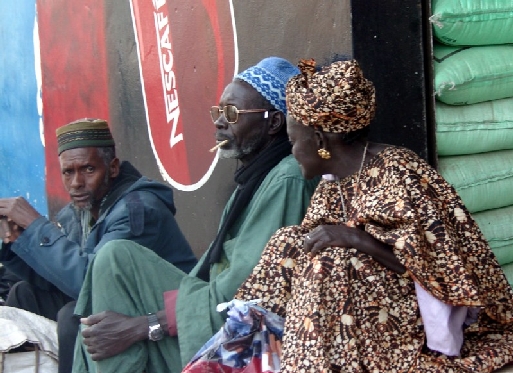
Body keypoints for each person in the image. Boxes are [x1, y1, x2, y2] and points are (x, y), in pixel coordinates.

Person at [235, 59, 513, 372]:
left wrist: (354, 239)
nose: (292, 151)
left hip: (411, 318)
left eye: (293, 141)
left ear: (320, 141)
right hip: (363, 312)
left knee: (333, 261)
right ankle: (248, 346)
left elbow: (434, 267)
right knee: (289, 242)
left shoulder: (398, 172)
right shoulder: (332, 184)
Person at [70, 57, 319, 373]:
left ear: (273, 123)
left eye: (232, 114)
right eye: (218, 113)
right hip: (208, 306)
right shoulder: (254, 179)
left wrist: (145, 325)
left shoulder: (287, 180)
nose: (219, 122)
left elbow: (248, 293)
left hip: (243, 334)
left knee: (109, 283)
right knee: (115, 258)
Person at [0, 118, 197, 373]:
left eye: (88, 170)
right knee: (23, 294)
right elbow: (56, 278)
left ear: (112, 168)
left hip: (158, 315)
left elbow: (91, 283)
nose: (76, 183)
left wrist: (37, 226)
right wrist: (15, 241)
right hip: (115, 304)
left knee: (74, 319)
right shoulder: (77, 212)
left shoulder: (138, 210)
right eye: (68, 172)